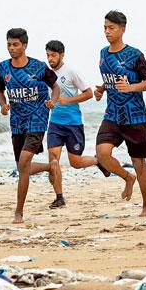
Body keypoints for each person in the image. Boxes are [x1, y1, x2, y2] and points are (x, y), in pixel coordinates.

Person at [93, 10, 146, 216]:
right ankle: (127, 178)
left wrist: (132, 87)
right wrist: (102, 88)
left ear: (122, 29)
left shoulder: (135, 55)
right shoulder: (103, 53)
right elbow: (112, 78)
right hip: (112, 114)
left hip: (134, 116)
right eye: (105, 28)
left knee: (139, 164)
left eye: (111, 28)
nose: (107, 32)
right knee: (102, 154)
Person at [0, 27, 59, 223]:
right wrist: (3, 104)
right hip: (17, 123)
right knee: (22, 167)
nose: (11, 48)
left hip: (37, 120)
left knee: (23, 163)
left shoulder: (39, 67)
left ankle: (18, 212)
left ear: (24, 46)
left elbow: (55, 86)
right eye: (8, 44)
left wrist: (53, 101)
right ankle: (50, 166)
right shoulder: (3, 67)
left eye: (15, 45)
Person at [44, 39, 109, 209]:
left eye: (53, 55)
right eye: (48, 55)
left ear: (62, 55)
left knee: (76, 163)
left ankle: (97, 162)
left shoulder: (71, 72)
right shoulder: (46, 74)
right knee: (53, 161)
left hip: (73, 123)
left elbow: (88, 93)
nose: (50, 59)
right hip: (55, 124)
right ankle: (59, 197)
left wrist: (68, 101)